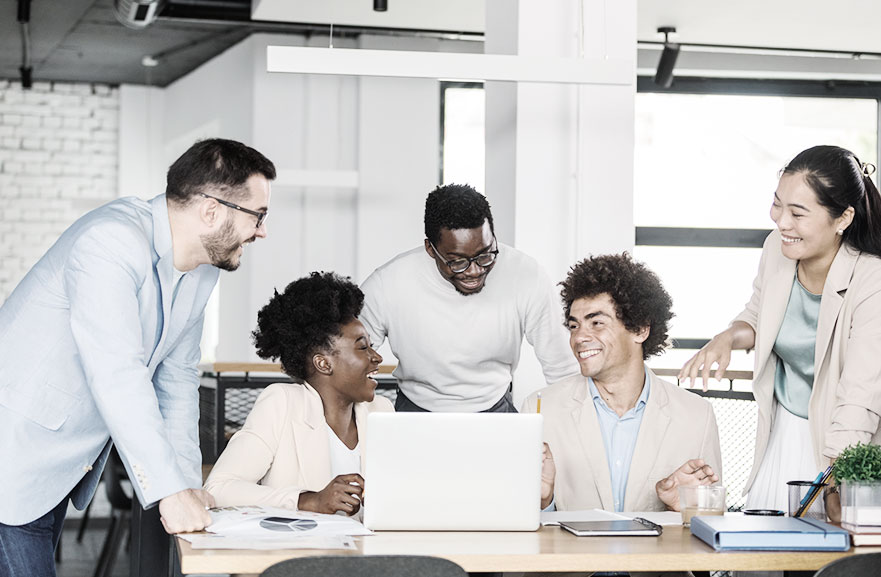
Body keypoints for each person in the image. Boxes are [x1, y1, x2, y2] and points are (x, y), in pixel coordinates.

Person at [0, 138, 276, 576]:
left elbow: (178, 382)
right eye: (258, 215)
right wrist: (168, 493)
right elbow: (118, 374)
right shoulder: (110, 242)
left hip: (58, 463)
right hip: (15, 448)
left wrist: (186, 483)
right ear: (212, 210)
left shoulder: (200, 271)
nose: (262, 230)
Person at [680, 145, 881, 516]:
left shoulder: (872, 280)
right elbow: (758, 314)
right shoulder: (778, 248)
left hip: (843, 441)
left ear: (843, 218)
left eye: (797, 213)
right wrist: (727, 338)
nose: (781, 222)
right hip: (783, 431)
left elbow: (860, 395)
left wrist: (835, 479)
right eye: (778, 205)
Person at [523, 253, 722, 513]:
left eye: (596, 323)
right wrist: (543, 502)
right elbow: (521, 529)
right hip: (573, 555)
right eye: (574, 326)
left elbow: (711, 527)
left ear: (640, 329)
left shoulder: (696, 416)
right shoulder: (539, 410)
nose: (579, 337)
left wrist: (682, 509)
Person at [359, 184, 578, 413]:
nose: (474, 271)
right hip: (416, 408)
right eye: (458, 262)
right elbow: (348, 358)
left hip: (495, 407)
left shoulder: (525, 274)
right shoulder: (388, 283)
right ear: (431, 249)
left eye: (485, 255)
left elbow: (563, 369)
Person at [204, 272, 393, 516]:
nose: (377, 358)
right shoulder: (281, 404)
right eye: (362, 347)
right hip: (303, 551)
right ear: (323, 364)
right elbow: (219, 488)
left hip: (371, 552)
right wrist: (308, 500)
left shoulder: (382, 411)